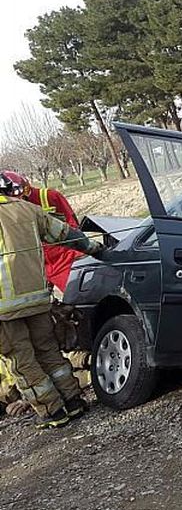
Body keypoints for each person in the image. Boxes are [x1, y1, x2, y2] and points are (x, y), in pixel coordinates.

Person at [0, 173, 104, 429]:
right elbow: (66, 234)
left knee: (22, 361)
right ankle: (73, 401)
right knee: (48, 350)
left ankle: (52, 412)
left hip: (4, 308)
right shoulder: (28, 209)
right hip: (37, 299)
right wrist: (95, 248)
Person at [1, 171, 80, 294]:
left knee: (77, 297)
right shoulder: (6, 210)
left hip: (64, 260)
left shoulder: (50, 196)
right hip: (35, 266)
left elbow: (73, 227)